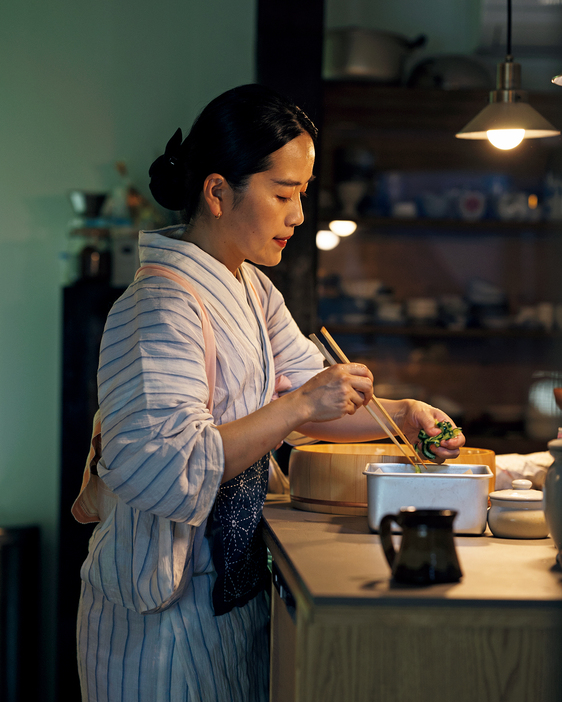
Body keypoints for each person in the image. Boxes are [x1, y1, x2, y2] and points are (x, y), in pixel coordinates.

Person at [73, 84, 465, 702]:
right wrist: (302, 405)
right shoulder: (159, 304)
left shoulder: (253, 289)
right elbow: (163, 465)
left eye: (302, 195)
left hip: (234, 587)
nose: (298, 215)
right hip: (161, 615)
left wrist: (407, 417)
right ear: (218, 191)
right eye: (283, 194)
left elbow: (317, 403)